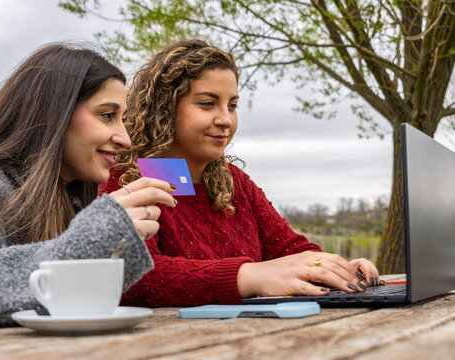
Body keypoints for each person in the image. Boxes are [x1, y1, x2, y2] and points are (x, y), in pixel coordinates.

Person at [0, 43, 177, 333]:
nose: (125, 139)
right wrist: (97, 236)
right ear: (55, 112)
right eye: (107, 115)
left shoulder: (68, 195)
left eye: (124, 120)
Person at [100, 39, 381, 307]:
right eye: (208, 103)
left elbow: (289, 249)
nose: (225, 120)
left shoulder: (235, 183)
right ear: (165, 108)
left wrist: (335, 268)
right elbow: (135, 275)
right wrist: (248, 276)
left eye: (232, 105)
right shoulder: (124, 180)